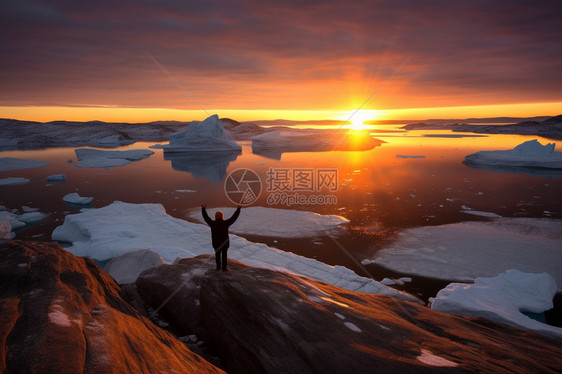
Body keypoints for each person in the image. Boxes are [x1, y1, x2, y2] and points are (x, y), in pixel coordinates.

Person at [201, 204, 241, 271]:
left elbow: (206, 218)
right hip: (225, 243)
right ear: (222, 216)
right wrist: (238, 210)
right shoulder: (226, 223)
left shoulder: (212, 224)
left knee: (217, 255)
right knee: (224, 255)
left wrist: (203, 209)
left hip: (216, 243)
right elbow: (233, 218)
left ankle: (218, 267)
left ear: (215, 216)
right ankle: (224, 268)